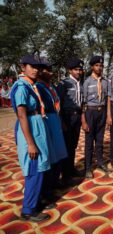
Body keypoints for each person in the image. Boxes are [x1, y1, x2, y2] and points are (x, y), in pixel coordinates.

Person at [10, 55, 51, 222]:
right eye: (31, 66)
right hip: (30, 129)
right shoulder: (21, 87)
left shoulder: (31, 85)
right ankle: (28, 210)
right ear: (23, 67)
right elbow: (21, 115)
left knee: (40, 167)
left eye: (37, 67)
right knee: (34, 169)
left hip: (36, 125)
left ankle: (36, 200)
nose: (36, 69)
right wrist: (30, 143)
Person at [36, 59, 67, 208]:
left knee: (58, 155)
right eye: (48, 70)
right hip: (46, 121)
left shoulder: (51, 86)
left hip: (55, 119)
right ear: (41, 71)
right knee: (47, 157)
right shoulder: (38, 87)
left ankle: (54, 183)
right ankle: (44, 194)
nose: (51, 72)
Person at [81, 56, 111, 178]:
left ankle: (100, 163)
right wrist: (83, 120)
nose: (99, 68)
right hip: (90, 112)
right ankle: (87, 167)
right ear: (92, 67)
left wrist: (108, 115)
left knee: (100, 141)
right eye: (97, 65)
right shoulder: (87, 82)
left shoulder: (105, 81)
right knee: (89, 142)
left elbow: (108, 98)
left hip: (102, 112)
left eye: (101, 65)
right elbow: (83, 103)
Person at [57, 58, 84, 184]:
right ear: (70, 70)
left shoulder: (80, 83)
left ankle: (71, 169)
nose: (79, 72)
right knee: (66, 146)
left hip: (76, 117)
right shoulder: (64, 84)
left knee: (73, 145)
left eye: (80, 70)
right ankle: (65, 175)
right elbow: (58, 104)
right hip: (67, 117)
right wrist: (61, 121)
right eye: (76, 70)